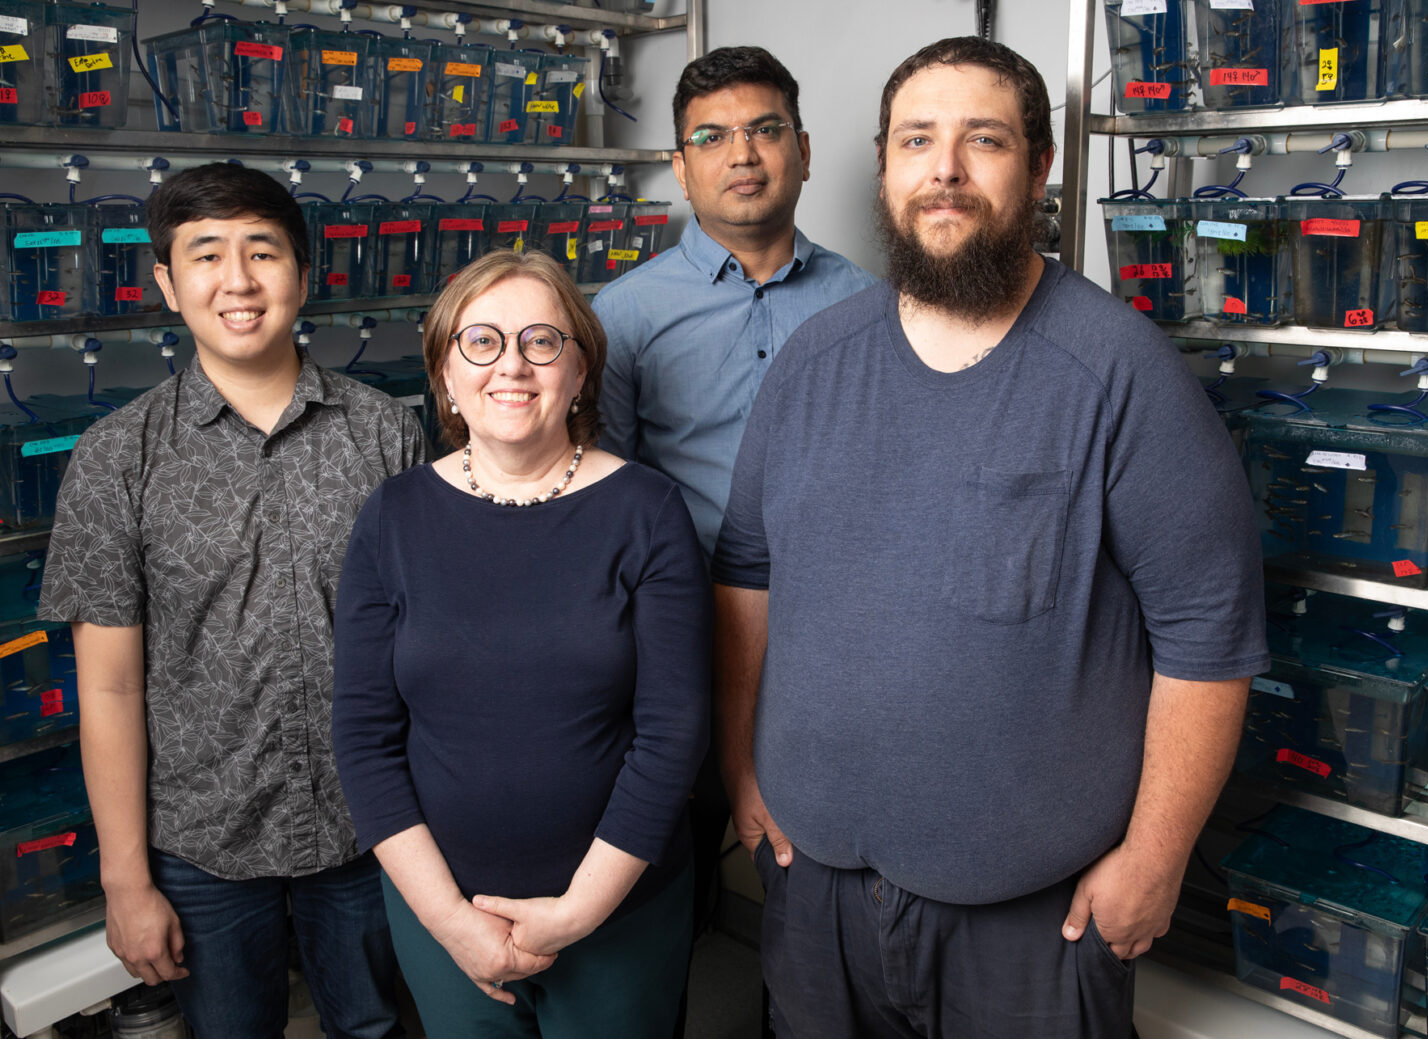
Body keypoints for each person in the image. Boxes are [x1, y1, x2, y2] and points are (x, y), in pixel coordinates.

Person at [712, 37, 1269, 1038]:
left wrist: (1155, 857)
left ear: (1040, 166)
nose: (946, 171)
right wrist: (741, 771)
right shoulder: (811, 362)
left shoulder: (1122, 376)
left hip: (1032, 928)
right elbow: (746, 575)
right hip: (816, 889)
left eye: (986, 141)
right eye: (918, 141)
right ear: (884, 165)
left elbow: (1209, 640)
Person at [39, 163, 422, 1038]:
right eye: (206, 255)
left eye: (263, 252)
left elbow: (424, 637)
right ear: (169, 284)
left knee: (376, 1027)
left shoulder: (385, 432)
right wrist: (125, 880)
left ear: (304, 269)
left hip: (373, 823)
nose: (239, 281)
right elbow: (106, 687)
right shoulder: (116, 457)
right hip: (203, 842)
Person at [331, 249, 711, 1038]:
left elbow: (672, 733)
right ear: (444, 374)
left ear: (580, 373)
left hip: (621, 914)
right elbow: (364, 740)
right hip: (445, 915)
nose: (512, 364)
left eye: (542, 341)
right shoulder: (393, 518)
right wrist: (449, 921)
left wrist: (578, 912)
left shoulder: (648, 511)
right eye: (481, 342)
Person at [592, 44, 876, 965]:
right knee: (662, 882)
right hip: (675, 641)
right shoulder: (622, 317)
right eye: (710, 137)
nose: (740, 153)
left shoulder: (874, 309)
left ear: (800, 147)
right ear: (681, 166)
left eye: (763, 130)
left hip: (826, 642)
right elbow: (608, 499)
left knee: (817, 883)